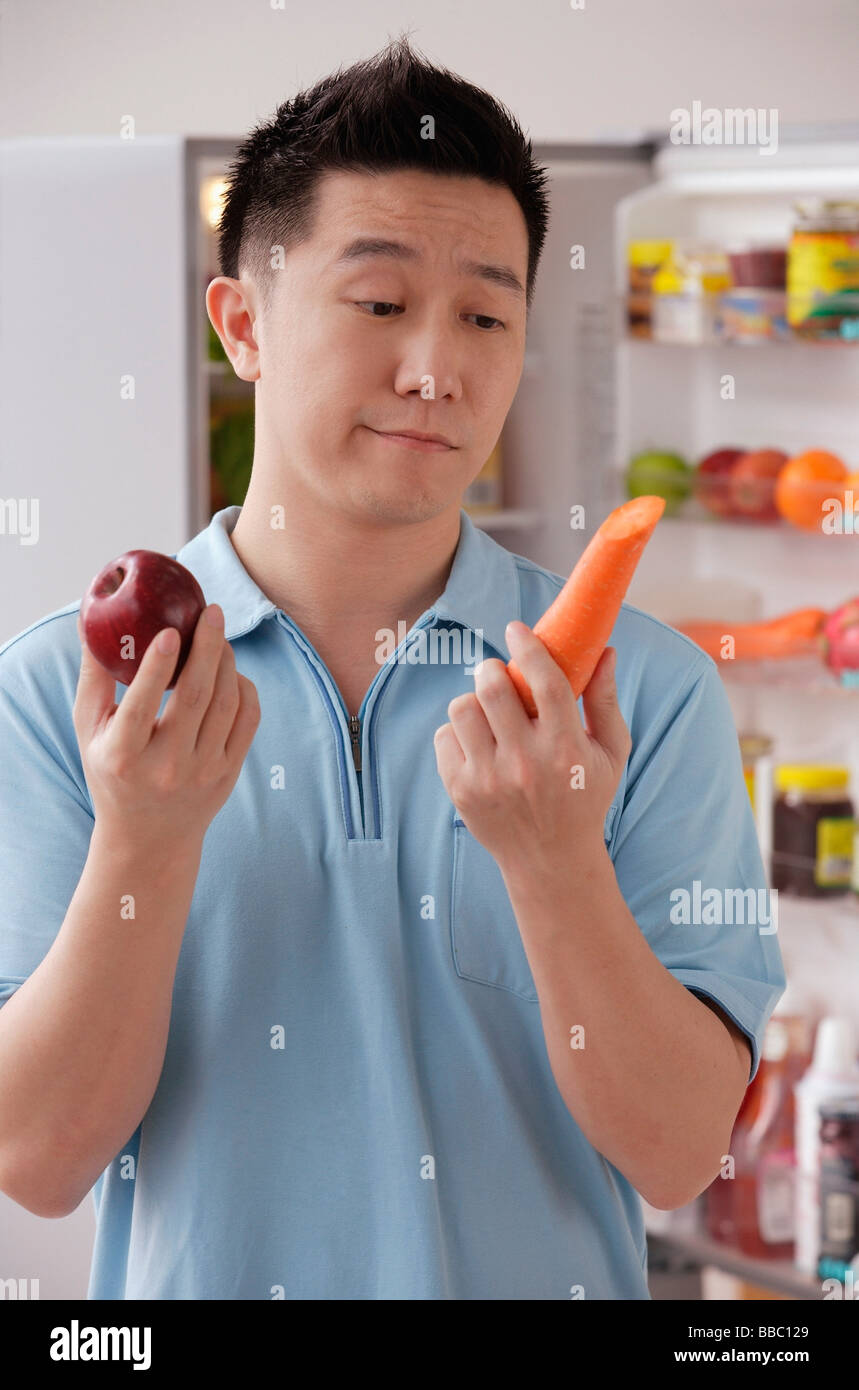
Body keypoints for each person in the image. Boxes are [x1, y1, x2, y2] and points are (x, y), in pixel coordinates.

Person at [0, 34, 784, 1300]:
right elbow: (37, 1160)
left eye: (486, 313)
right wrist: (143, 840)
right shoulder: (62, 699)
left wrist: (553, 859)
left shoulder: (638, 693)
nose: (437, 369)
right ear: (242, 323)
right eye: (379, 304)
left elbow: (679, 1153)